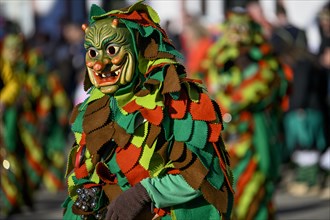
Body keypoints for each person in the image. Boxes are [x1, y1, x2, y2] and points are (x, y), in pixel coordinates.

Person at [62, 1, 234, 220]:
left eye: (112, 50)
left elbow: (204, 176)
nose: (99, 64)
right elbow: (82, 174)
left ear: (138, 50)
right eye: (93, 53)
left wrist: (144, 193)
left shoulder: (178, 100)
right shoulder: (93, 110)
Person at [195, 8, 290, 220]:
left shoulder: (266, 67)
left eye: (242, 30)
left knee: (254, 196)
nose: (237, 38)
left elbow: (253, 94)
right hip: (225, 145)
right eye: (233, 30)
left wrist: (225, 97)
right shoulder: (219, 66)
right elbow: (204, 88)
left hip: (255, 143)